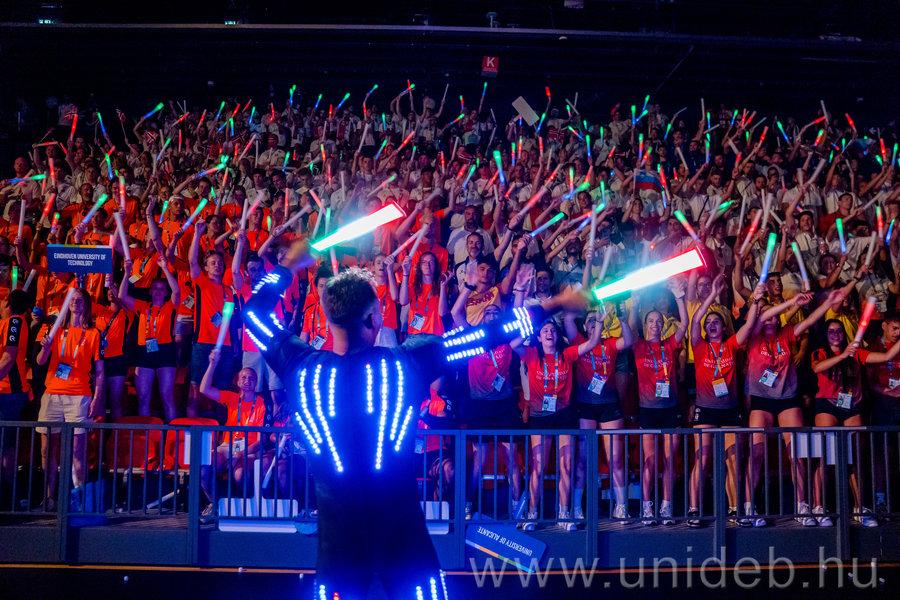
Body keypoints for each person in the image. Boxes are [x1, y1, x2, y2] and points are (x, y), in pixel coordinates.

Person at [241, 238, 590, 599]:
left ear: (329, 317)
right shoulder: (404, 364)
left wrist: (288, 267)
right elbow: (486, 336)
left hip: (338, 544)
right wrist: (555, 304)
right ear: (374, 319)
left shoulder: (302, 369)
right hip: (403, 538)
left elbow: (253, 314)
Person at [742, 288, 842, 527]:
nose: (770, 318)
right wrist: (790, 303)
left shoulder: (786, 333)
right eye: (766, 314)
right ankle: (748, 507)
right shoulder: (754, 334)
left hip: (787, 397)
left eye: (773, 315)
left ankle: (802, 505)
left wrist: (828, 302)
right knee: (756, 453)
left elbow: (810, 319)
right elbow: (762, 317)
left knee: (797, 452)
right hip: (761, 399)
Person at [687, 276, 763, 527]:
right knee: (703, 461)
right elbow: (694, 320)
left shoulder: (730, 345)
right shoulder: (699, 346)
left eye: (716, 321)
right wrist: (712, 296)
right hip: (706, 411)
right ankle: (694, 510)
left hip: (730, 411)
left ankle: (735, 509)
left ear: (723, 326)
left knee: (733, 461)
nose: (711, 324)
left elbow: (749, 325)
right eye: (708, 322)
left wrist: (756, 301)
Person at [811, 319, 900, 528]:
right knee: (826, 456)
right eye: (831, 331)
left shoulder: (857, 353)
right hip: (828, 405)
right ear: (825, 334)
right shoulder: (819, 353)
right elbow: (817, 368)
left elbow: (887, 356)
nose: (836, 334)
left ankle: (860, 508)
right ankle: (818, 506)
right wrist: (843, 355)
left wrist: (850, 353)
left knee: (856, 457)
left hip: (852, 405)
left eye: (839, 331)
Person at [565, 298, 636, 524]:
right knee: (583, 460)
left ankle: (621, 507)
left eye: (597, 319)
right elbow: (568, 321)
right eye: (590, 320)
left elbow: (628, 341)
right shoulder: (578, 341)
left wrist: (622, 320)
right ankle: (577, 507)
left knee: (616, 458)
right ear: (584, 326)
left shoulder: (610, 343)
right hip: (585, 406)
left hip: (609, 404)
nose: (594, 322)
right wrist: (577, 299)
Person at [35, 288, 105, 510]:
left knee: (77, 451)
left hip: (80, 396)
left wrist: (96, 398)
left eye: (80, 300)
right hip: (52, 394)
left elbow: (100, 371)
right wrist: (45, 349)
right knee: (47, 450)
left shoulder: (94, 333)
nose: (76, 303)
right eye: (72, 300)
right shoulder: (55, 329)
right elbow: (40, 361)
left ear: (87, 305)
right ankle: (49, 499)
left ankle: (80, 503)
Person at [631, 280, 688, 526]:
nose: (655, 324)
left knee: (669, 461)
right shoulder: (639, 346)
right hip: (648, 410)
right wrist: (635, 304)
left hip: (670, 409)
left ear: (663, 325)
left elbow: (684, 324)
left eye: (658, 322)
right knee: (650, 461)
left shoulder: (670, 344)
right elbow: (630, 328)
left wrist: (679, 297)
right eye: (651, 321)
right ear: (646, 325)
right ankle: (646, 507)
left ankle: (666, 508)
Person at [198, 348, 267, 513]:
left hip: (250, 450)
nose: (247, 380)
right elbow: (204, 389)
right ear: (238, 382)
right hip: (228, 447)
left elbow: (261, 441)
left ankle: (249, 507)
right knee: (204, 464)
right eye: (243, 377)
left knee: (240, 475)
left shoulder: (262, 404)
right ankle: (214, 505)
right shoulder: (232, 398)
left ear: (256, 383)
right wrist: (212, 364)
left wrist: (239, 454)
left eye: (251, 378)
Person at [117, 255, 181, 422]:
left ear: (165, 292)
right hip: (144, 353)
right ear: (150, 291)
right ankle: (146, 434)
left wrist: (165, 268)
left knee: (167, 397)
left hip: (165, 352)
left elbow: (177, 291)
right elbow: (122, 296)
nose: (158, 291)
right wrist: (127, 273)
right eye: (155, 288)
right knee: (143, 398)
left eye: (162, 289)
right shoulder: (143, 306)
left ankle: (171, 433)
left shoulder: (170, 306)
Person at [0, 290, 32, 487]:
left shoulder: (15, 322)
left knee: (5, 445)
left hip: (9, 391)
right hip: (6, 391)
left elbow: (8, 358)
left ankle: (7, 492)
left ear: (7, 302)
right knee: (6, 444)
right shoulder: (7, 323)